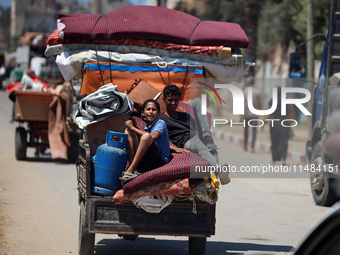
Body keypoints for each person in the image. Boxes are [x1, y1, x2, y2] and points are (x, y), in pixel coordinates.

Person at [160, 85, 231, 184]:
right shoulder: (162, 120)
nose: (173, 103)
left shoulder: (183, 115)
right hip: (187, 141)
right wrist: (175, 148)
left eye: (176, 100)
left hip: (195, 135)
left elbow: (197, 122)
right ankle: (219, 172)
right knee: (200, 147)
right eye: (170, 100)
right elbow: (158, 139)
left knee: (197, 101)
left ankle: (207, 138)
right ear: (164, 100)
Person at [120, 99, 170, 185]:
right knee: (128, 131)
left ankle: (130, 170)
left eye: (153, 110)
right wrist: (132, 129)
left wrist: (133, 128)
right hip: (148, 159)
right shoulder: (148, 126)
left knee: (146, 136)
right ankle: (133, 169)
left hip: (159, 161)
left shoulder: (160, 123)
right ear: (143, 113)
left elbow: (152, 137)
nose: (150, 112)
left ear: (158, 114)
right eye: (148, 109)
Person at [266, 86, 294, 165]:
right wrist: (290, 122)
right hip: (284, 122)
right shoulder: (287, 100)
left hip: (274, 122)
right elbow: (291, 111)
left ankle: (274, 159)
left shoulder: (272, 100)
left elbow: (268, 111)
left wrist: (264, 121)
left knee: (274, 141)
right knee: (284, 141)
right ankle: (283, 159)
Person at [243, 76, 262, 153]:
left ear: (248, 83)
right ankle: (253, 147)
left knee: (246, 130)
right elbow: (259, 104)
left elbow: (243, 104)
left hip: (246, 114)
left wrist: (241, 115)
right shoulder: (258, 92)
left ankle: (245, 145)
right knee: (254, 131)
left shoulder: (245, 92)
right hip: (255, 115)